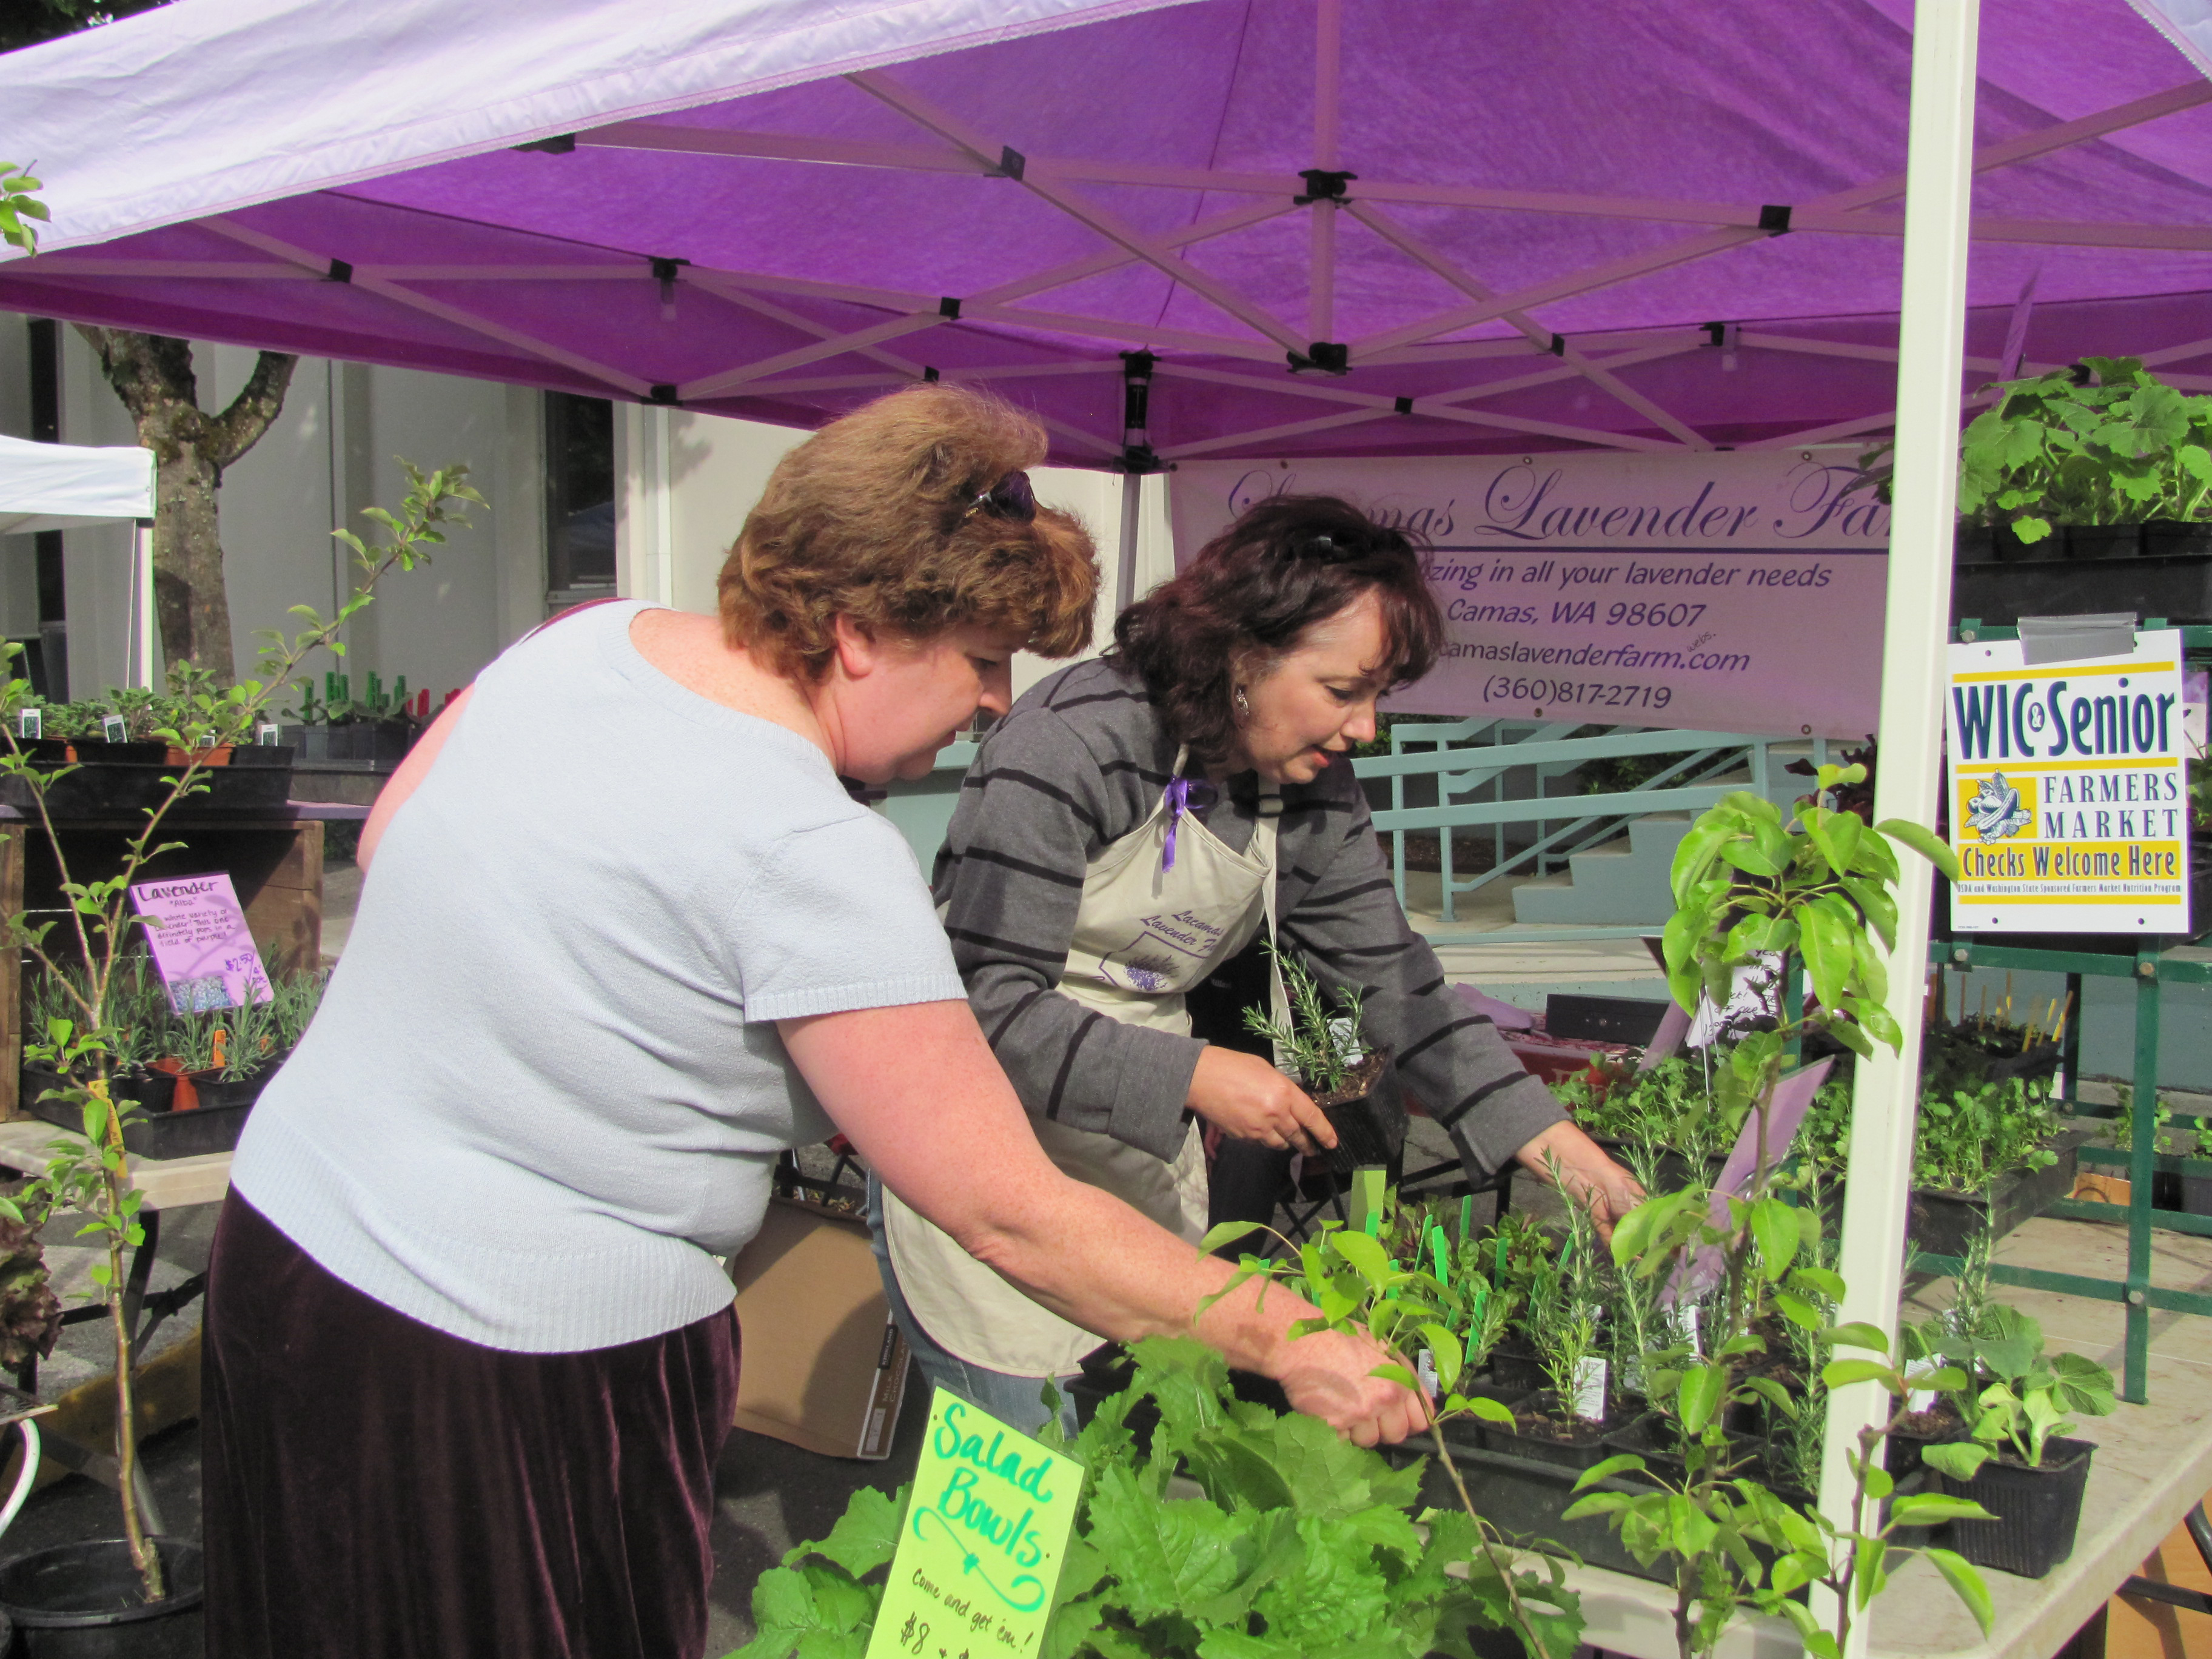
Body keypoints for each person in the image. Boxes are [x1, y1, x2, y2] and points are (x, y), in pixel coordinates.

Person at [199, 391, 1424, 1659]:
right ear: (856, 630)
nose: (1000, 702)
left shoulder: (583, 643)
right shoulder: (813, 851)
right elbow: (1005, 1208)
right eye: (981, 657)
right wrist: (1290, 1340)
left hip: (287, 1245)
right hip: (499, 1366)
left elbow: (398, 834)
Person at [871, 494, 1644, 1429]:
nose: (1366, 729)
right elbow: (982, 1010)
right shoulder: (1074, 743)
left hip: (1130, 1163)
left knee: (1138, 1478)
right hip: (984, 1156)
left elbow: (1395, 983)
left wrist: (1562, 1152)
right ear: (1244, 656)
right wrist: (1193, 1072)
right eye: (1343, 690)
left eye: (1377, 698)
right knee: (1015, 1514)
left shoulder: (1306, 784)